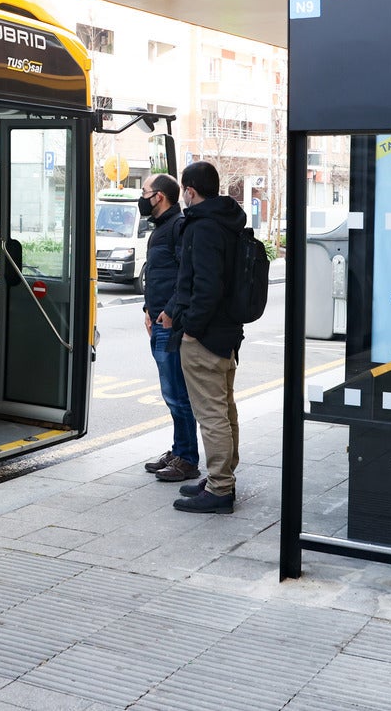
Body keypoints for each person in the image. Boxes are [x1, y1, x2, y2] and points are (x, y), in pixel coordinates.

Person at [160, 160, 246, 514]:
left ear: (190, 191)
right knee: (225, 410)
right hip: (227, 332)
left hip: (206, 336)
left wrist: (191, 328)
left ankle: (221, 488)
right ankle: (220, 478)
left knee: (211, 414)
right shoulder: (227, 222)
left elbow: (205, 287)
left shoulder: (202, 227)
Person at [138, 172, 198, 483]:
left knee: (177, 393)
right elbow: (158, 275)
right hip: (158, 320)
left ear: (158, 196)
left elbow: (184, 277)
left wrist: (169, 313)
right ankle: (179, 450)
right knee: (170, 392)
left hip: (170, 324)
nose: (142, 197)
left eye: (145, 191)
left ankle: (187, 458)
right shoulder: (162, 228)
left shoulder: (177, 227)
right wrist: (148, 310)